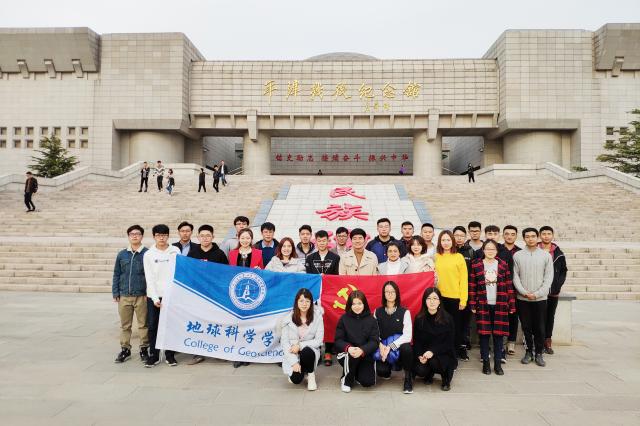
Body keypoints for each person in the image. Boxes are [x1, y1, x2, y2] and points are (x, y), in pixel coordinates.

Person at [469, 240, 516, 375]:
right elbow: (472, 286)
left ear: (497, 251)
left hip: (500, 304)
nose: (490, 251)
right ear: (483, 250)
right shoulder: (476, 264)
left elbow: (509, 285)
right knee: (484, 335)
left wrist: (511, 304)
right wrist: (472, 303)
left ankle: (497, 364)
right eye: (487, 249)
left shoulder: (502, 264)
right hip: (482, 304)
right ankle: (486, 363)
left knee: (498, 335)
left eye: (493, 249)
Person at [186, 224, 228, 364]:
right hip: (198, 295)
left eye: (208, 235)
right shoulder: (192, 253)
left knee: (216, 323)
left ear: (213, 237)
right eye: (202, 236)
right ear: (198, 237)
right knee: (199, 323)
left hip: (215, 296)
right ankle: (198, 353)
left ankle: (218, 351)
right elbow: (188, 273)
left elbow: (226, 274)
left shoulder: (219, 254)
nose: (205, 238)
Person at [513, 228, 554, 367]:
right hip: (523, 299)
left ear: (537, 238)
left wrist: (537, 294)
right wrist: (523, 292)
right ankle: (529, 352)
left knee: (540, 327)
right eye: (527, 236)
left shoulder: (545, 256)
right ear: (524, 238)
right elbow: (515, 276)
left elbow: (548, 278)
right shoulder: (517, 256)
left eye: (533, 236)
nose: (530, 239)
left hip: (540, 299)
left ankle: (539, 353)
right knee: (526, 327)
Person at [143, 224, 180, 367]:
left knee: (171, 325)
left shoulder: (175, 251)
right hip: (154, 295)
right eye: (158, 235)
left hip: (172, 295)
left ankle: (170, 355)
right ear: (154, 237)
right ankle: (154, 355)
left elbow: (179, 273)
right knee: (153, 326)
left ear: (168, 236)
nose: (161, 238)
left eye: (164, 235)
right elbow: (149, 278)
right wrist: (154, 298)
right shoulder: (149, 254)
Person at [112, 224, 149, 364]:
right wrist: (115, 291)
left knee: (143, 325)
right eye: (132, 234)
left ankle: (144, 349)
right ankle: (125, 349)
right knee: (125, 325)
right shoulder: (122, 254)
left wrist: (149, 293)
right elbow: (117, 273)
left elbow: (151, 275)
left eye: (137, 234)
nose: (135, 236)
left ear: (142, 236)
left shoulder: (147, 254)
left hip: (141, 296)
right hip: (124, 296)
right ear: (128, 236)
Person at [304, 230, 340, 366]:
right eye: (319, 241)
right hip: (314, 295)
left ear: (328, 241)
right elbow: (308, 277)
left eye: (324, 240)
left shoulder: (335, 258)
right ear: (316, 242)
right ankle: (316, 349)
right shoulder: (310, 258)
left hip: (330, 295)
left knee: (328, 321)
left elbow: (337, 277)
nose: (322, 243)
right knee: (314, 321)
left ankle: (328, 350)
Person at [413, 287, 457, 391]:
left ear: (439, 301)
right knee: (420, 370)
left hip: (443, 354)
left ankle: (445, 378)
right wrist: (420, 355)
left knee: (434, 362)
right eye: (428, 298)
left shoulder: (447, 319)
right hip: (425, 354)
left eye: (435, 298)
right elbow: (417, 341)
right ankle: (429, 373)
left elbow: (449, 343)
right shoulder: (419, 318)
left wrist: (433, 351)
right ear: (424, 301)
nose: (432, 301)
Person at [334, 290, 379, 392]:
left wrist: (362, 350)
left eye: (359, 303)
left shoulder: (371, 320)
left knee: (367, 382)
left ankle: (355, 372)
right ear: (350, 305)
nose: (357, 306)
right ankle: (346, 380)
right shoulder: (343, 319)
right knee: (352, 355)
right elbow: (338, 340)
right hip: (347, 354)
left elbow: (374, 341)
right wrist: (349, 348)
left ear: (364, 304)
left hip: (364, 353)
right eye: (354, 304)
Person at [434, 230, 469, 361]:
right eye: (443, 240)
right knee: (440, 327)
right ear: (439, 242)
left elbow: (464, 280)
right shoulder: (436, 257)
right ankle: (442, 354)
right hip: (439, 298)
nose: (446, 243)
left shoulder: (459, 257)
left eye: (448, 240)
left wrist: (463, 300)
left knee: (454, 328)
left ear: (452, 241)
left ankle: (453, 356)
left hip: (455, 298)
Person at [374, 281, 414, 394]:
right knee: (382, 371)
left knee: (407, 348)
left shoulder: (405, 312)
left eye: (392, 291)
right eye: (387, 292)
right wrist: (381, 345)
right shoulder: (378, 311)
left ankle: (408, 378)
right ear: (384, 294)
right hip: (383, 349)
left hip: (398, 348)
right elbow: (374, 333)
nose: (390, 294)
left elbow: (408, 336)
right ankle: (388, 368)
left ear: (397, 293)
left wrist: (391, 346)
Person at [281, 288, 324, 391]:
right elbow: (284, 343)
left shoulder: (317, 317)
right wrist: (294, 362)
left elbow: (319, 340)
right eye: (301, 301)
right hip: (293, 353)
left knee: (306, 351)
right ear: (296, 302)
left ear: (311, 303)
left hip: (309, 351)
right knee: (296, 380)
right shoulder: (288, 319)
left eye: (307, 301)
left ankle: (311, 375)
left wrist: (300, 346)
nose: (304, 304)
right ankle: (301, 371)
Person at [538, 226, 567, 355]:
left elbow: (563, 271)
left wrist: (557, 285)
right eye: (543, 234)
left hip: (553, 292)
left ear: (552, 235)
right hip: (538, 291)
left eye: (548, 234)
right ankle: (537, 341)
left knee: (550, 317)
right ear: (540, 235)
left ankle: (547, 341)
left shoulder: (559, 253)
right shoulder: (535, 250)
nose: (546, 236)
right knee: (538, 316)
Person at [453, 225, 474, 352]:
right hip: (452, 292)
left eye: (462, 236)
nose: (459, 238)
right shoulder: (449, 251)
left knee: (465, 320)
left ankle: (463, 345)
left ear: (466, 237)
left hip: (466, 291)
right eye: (456, 235)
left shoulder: (470, 251)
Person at [502, 225, 522, 355]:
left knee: (513, 316)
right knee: (501, 316)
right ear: (503, 235)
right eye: (507, 234)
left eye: (512, 234)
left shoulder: (520, 252)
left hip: (515, 289)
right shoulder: (498, 249)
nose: (509, 236)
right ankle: (501, 343)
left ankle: (511, 342)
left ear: (516, 236)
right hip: (500, 289)